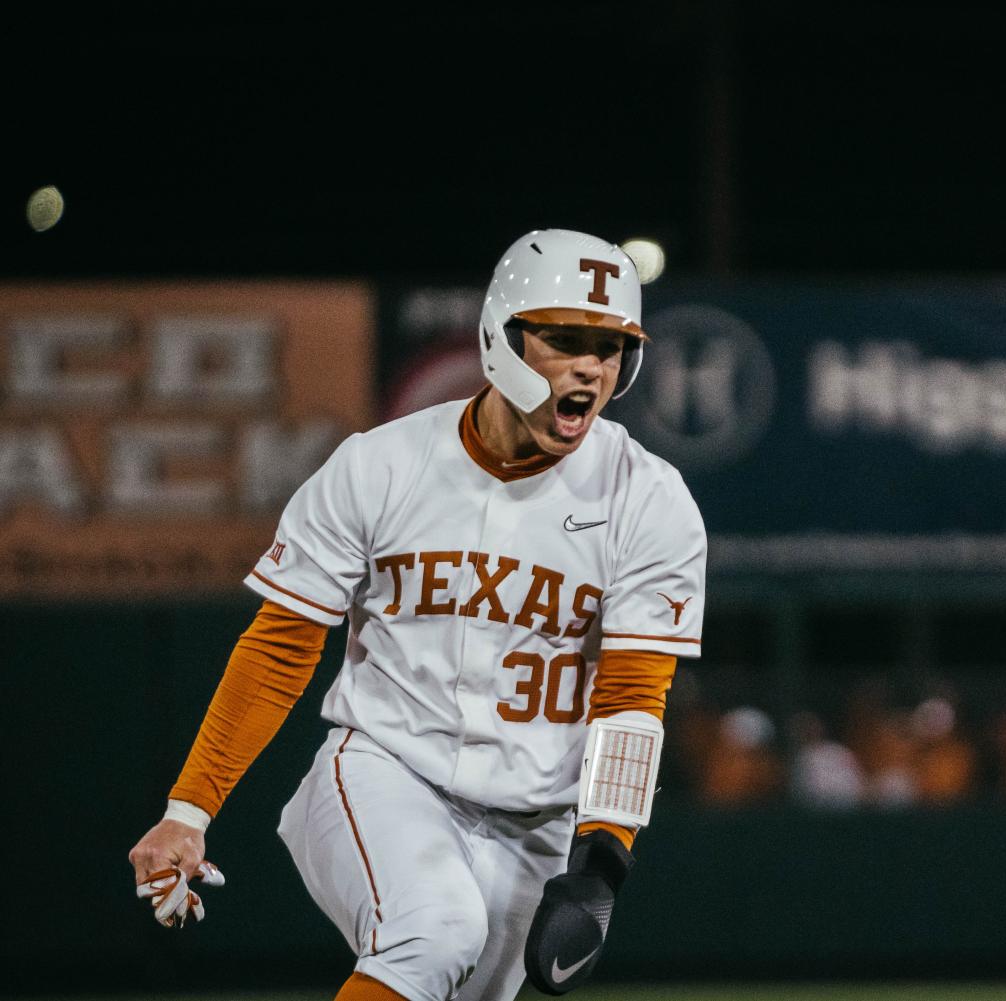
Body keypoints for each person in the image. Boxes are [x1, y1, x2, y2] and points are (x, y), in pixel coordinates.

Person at [126, 229, 707, 1001]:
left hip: (536, 816)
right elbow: (279, 648)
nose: (591, 366)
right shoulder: (381, 465)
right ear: (502, 340)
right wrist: (188, 809)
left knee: (443, 974)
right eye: (566, 338)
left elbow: (632, 699)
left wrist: (601, 863)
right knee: (433, 934)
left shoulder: (648, 496)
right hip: (385, 771)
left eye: (610, 346)